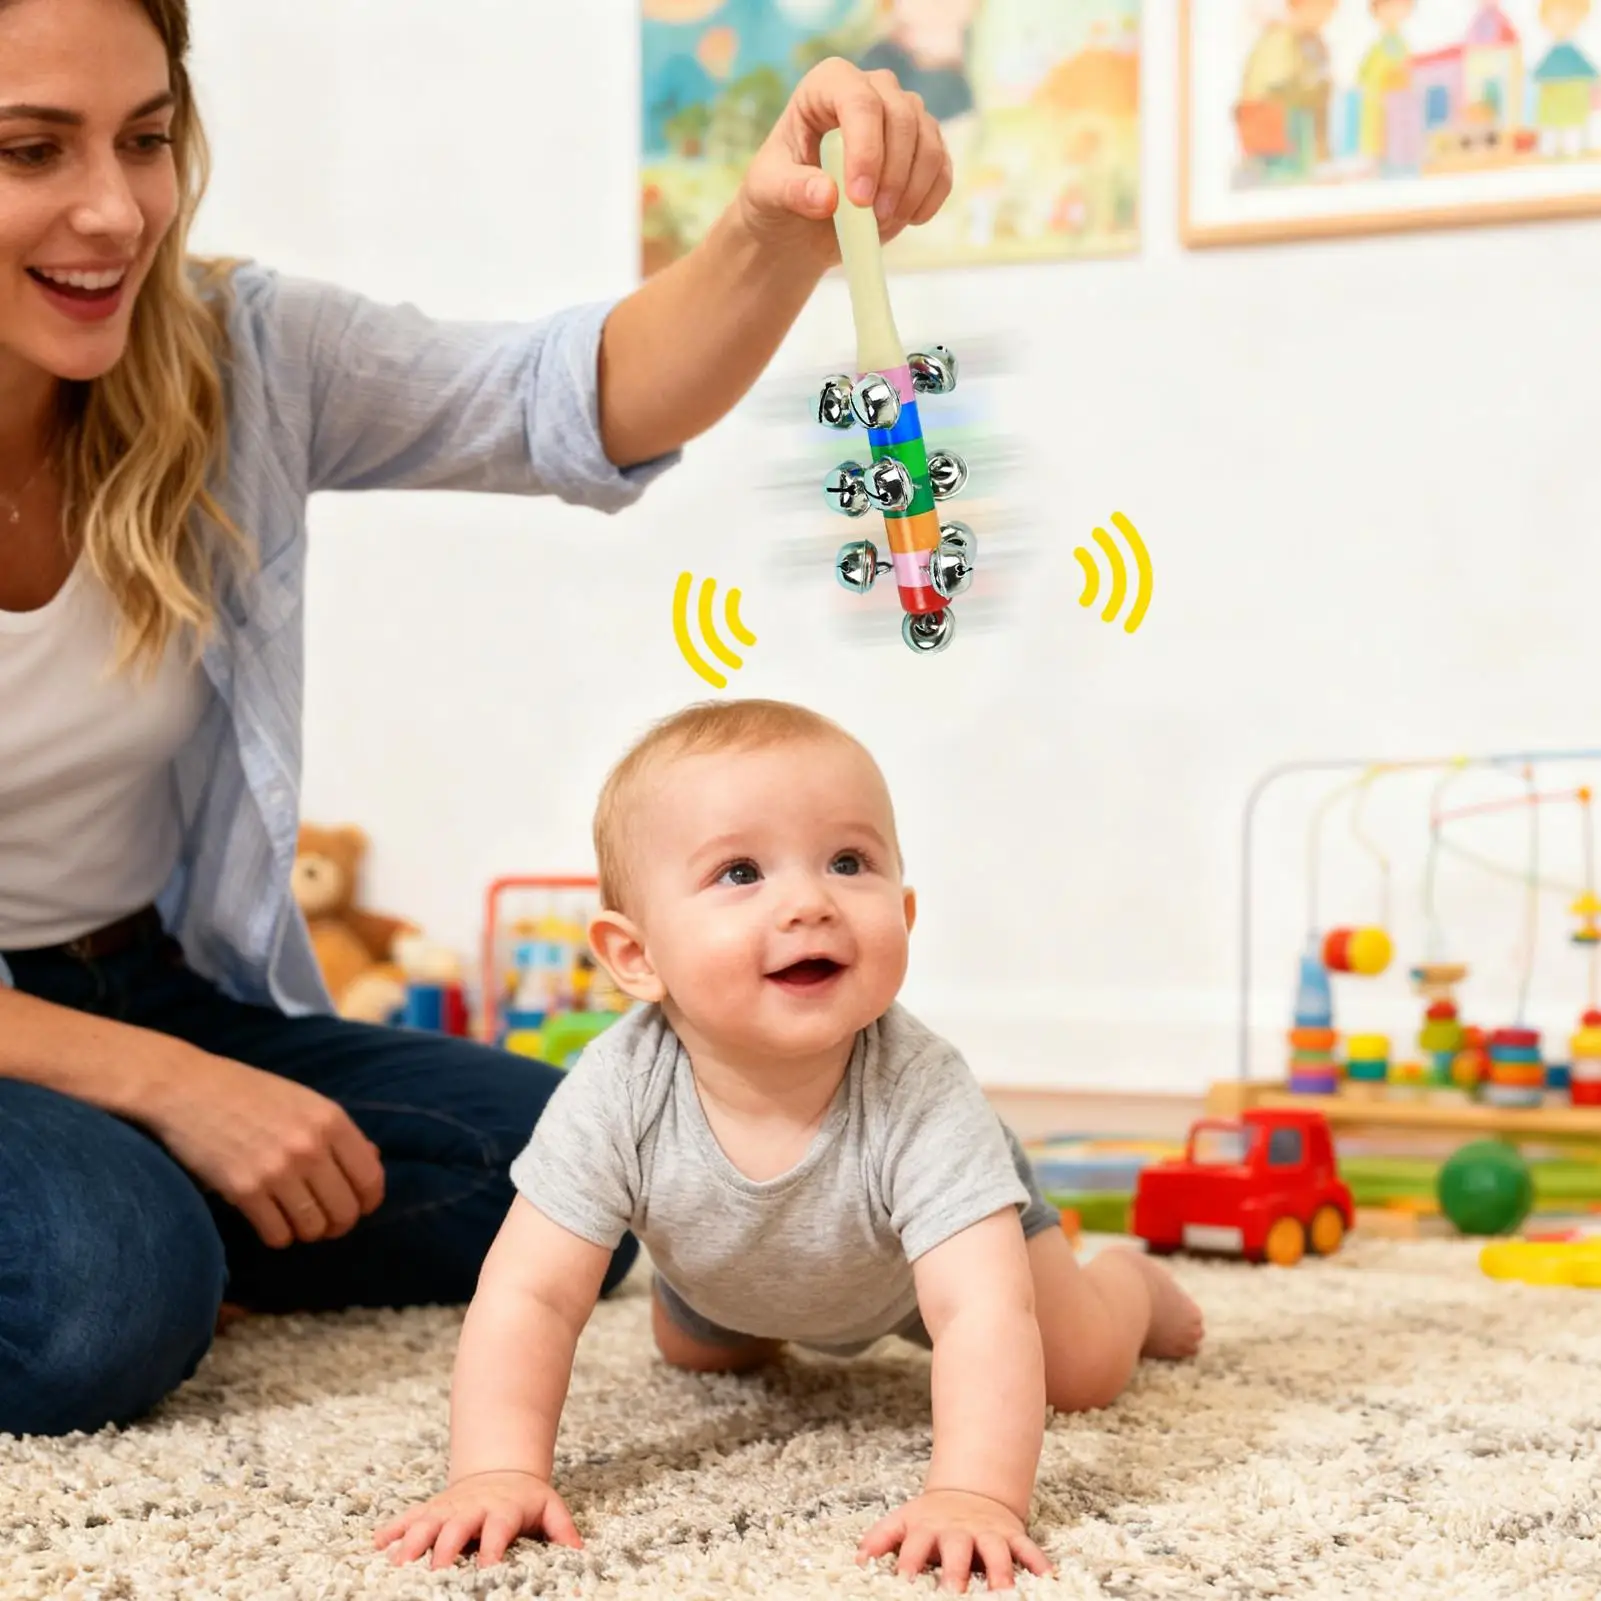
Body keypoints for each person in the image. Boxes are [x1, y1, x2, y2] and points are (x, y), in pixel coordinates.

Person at [0, 0, 955, 1440]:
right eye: (29, 150)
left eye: (145, 139)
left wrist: (779, 230)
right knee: (103, 1296)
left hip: (147, 972)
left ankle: (114, 1187)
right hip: (85, 1035)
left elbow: (569, 400)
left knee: (575, 1170)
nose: (114, 209)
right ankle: (122, 1208)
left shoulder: (228, 353)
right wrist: (168, 1089)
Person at [374, 700, 1205, 1588]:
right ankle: (712, 1307)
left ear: (906, 913)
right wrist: (496, 1469)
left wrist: (974, 1494)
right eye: (739, 871)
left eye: (849, 862)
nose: (809, 901)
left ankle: (1127, 1285)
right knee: (702, 1352)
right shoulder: (615, 1088)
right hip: (727, 1273)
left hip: (917, 1273)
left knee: (1074, 1368)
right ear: (634, 955)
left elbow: (979, 1312)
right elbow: (532, 1293)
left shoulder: (920, 1088)